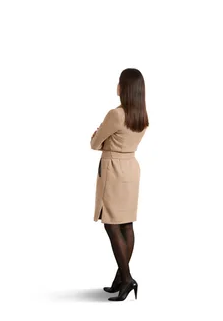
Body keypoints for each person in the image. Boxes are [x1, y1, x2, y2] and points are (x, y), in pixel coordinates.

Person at [90, 68, 149, 302]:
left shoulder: (115, 115)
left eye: (119, 83)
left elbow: (95, 143)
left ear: (124, 88)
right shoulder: (142, 116)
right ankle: (120, 277)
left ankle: (126, 279)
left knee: (111, 224)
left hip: (114, 169)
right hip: (131, 168)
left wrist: (98, 137)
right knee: (126, 224)